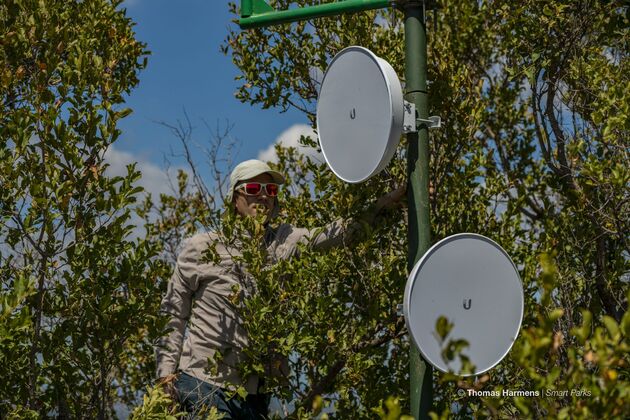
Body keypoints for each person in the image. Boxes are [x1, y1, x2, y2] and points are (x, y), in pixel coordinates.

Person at [155, 159, 405, 419]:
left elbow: (338, 234)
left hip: (255, 395)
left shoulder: (285, 242)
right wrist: (165, 376)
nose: (263, 195)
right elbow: (173, 312)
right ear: (234, 198)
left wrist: (389, 202)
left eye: (270, 190)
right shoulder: (201, 247)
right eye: (253, 189)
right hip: (202, 384)